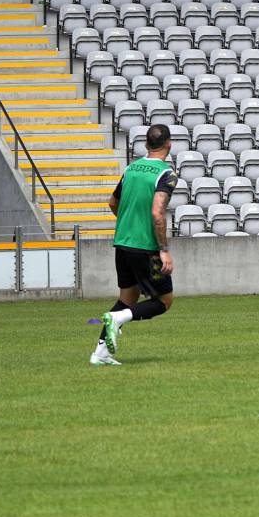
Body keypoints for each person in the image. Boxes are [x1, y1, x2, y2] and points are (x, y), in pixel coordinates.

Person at [92, 125, 177, 365]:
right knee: (164, 301)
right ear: (168, 145)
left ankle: (100, 354)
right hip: (146, 247)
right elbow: (157, 213)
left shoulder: (131, 169)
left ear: (146, 146)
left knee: (127, 298)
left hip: (123, 244)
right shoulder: (166, 173)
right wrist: (164, 250)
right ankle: (116, 319)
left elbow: (112, 203)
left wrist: (129, 223)